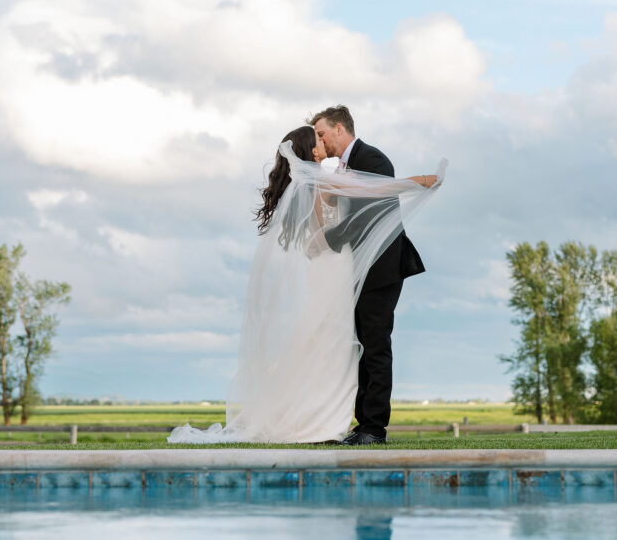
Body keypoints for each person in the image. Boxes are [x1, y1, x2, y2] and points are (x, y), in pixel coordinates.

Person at [168, 124, 445, 444]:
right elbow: (378, 190)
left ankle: (327, 415)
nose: (323, 140)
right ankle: (325, 419)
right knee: (333, 342)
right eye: (318, 138)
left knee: (326, 340)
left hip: (327, 268)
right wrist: (422, 181)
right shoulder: (323, 180)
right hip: (334, 267)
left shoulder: (307, 181)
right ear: (314, 151)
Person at [310, 105, 435, 444]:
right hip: (363, 267)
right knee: (364, 345)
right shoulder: (347, 168)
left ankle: (375, 428)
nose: (319, 140)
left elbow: (367, 216)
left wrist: (329, 238)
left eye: (321, 133)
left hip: (382, 266)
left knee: (376, 345)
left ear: (339, 128)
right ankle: (362, 424)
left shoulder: (374, 161)